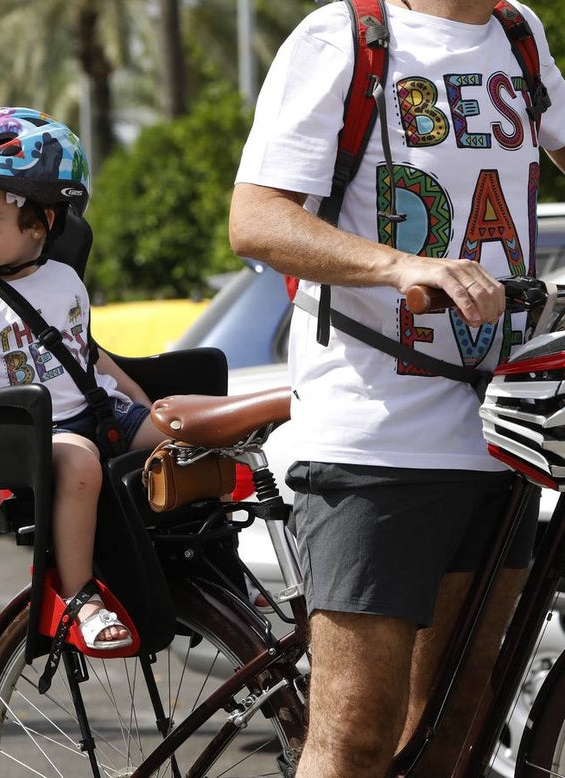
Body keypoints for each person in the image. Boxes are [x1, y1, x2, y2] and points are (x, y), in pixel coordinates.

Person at [228, 2, 565, 774]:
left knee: (459, 727)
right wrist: (400, 266)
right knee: (357, 737)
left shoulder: (518, 33)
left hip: (499, 434)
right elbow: (256, 219)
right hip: (373, 434)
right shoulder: (342, 36)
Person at [0, 106, 171, 650]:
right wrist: (11, 427)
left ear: (40, 224)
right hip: (36, 433)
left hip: (97, 412)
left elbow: (90, 355)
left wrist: (148, 407)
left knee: (184, 429)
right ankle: (82, 597)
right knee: (80, 460)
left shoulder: (64, 281)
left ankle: (196, 564)